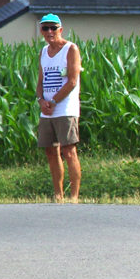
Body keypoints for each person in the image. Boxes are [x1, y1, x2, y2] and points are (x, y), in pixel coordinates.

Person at [35, 14, 83, 203]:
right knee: (50, 151)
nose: (49, 32)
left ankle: (74, 196)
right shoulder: (43, 52)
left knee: (69, 150)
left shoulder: (70, 49)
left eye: (53, 28)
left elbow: (72, 81)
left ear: (60, 30)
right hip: (47, 109)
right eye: (45, 28)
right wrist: (41, 101)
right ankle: (58, 194)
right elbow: (40, 81)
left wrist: (54, 102)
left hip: (65, 108)